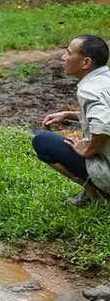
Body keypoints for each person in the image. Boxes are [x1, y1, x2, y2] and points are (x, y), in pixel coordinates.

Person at [34, 35, 110, 207]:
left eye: (68, 53)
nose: (63, 57)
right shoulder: (106, 80)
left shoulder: (89, 90)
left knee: (42, 140)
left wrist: (87, 150)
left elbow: (104, 127)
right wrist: (70, 114)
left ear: (86, 63)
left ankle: (95, 193)